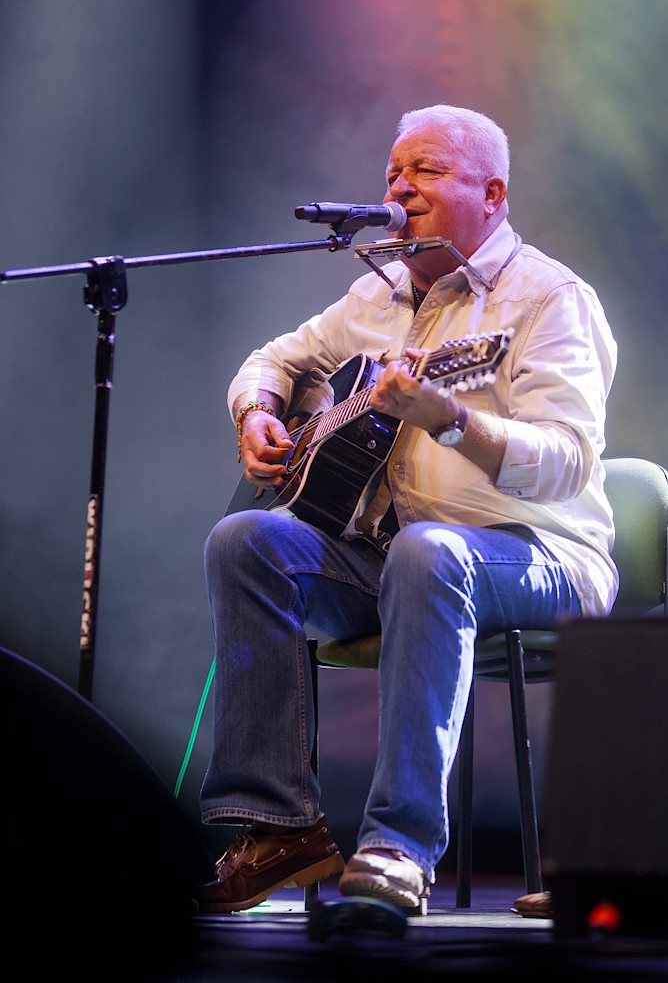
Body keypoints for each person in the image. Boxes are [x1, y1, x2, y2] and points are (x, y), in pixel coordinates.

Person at [194, 104, 618, 917]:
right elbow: (270, 359)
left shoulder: (548, 299)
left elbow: (567, 465)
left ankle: (399, 845)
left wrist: (450, 417)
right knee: (247, 540)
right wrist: (259, 412)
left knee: (432, 552)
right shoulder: (375, 296)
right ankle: (281, 829)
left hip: (544, 556)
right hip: (401, 557)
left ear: (492, 193)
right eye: (393, 170)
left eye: (425, 170)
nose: (399, 185)